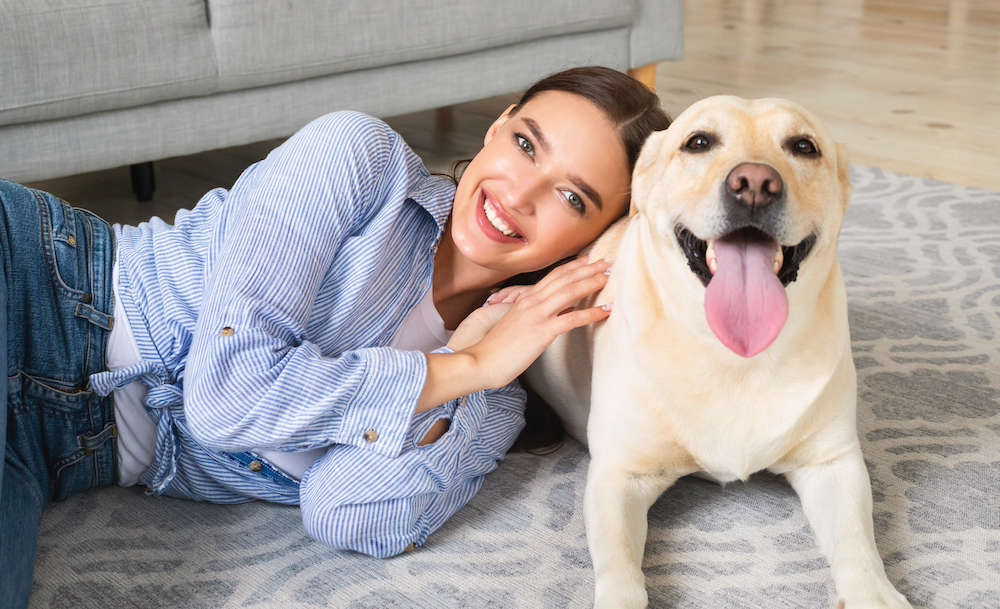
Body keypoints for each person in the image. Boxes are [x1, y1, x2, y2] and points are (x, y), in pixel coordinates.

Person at [1, 66, 670, 607]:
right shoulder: (361, 158)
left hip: (56, 449)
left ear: (598, 242)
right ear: (495, 129)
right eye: (525, 143)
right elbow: (223, 395)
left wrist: (468, 369)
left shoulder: (491, 401)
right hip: (38, 280)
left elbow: (348, 513)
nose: (521, 193)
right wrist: (465, 362)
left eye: (573, 198)